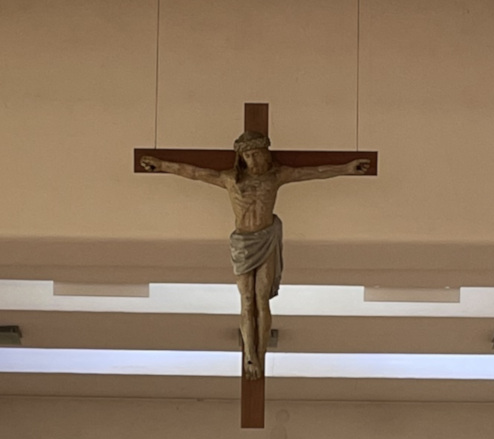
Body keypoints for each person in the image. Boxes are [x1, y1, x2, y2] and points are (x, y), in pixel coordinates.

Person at [138, 133, 372, 378]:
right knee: (246, 300)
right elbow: (195, 173)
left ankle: (260, 354)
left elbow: (314, 171)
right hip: (242, 243)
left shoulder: (276, 176)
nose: (253, 159)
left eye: (256, 153)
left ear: (265, 153)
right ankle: (250, 354)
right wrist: (163, 165)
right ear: (241, 159)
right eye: (247, 155)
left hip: (266, 239)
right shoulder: (230, 179)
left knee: (262, 299)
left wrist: (346, 168)